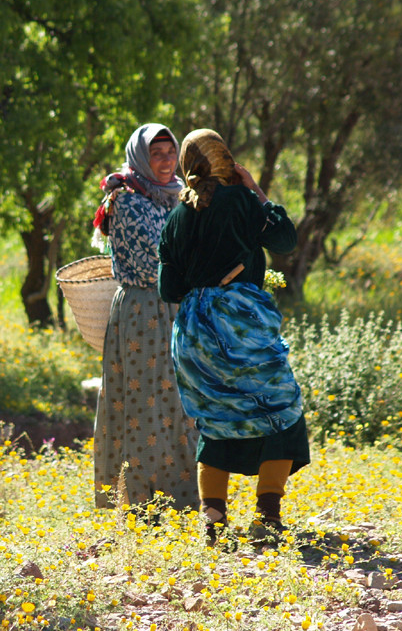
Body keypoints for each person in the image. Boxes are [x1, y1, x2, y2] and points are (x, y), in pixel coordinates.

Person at [157, 128, 309, 544]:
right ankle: (267, 516)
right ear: (227, 160)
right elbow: (285, 240)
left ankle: (214, 519)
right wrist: (257, 190)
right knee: (281, 412)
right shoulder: (242, 201)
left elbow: (168, 289)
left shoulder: (177, 217)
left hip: (192, 334)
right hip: (240, 326)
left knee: (217, 417)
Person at [91, 122, 199, 515]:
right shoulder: (129, 201)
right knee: (142, 404)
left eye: (171, 153)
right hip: (143, 312)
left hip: (169, 308)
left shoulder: (170, 197)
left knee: (176, 401)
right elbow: (157, 260)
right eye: (157, 154)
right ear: (141, 157)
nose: (166, 161)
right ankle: (140, 501)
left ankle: (180, 498)